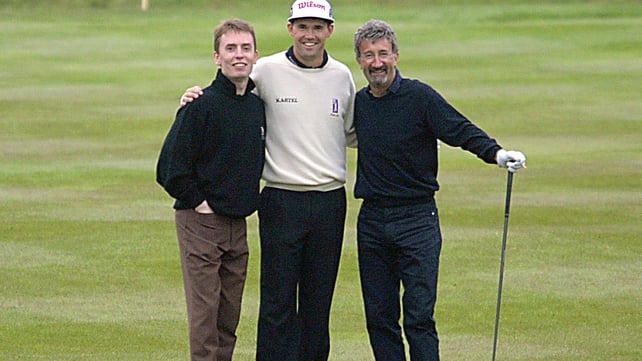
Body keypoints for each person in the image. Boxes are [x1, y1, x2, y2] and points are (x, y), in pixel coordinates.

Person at [180, 1, 356, 360]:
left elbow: (352, 132)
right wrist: (191, 99)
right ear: (290, 28)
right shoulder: (267, 70)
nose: (310, 35)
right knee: (277, 303)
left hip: (329, 201)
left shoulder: (342, 76)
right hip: (280, 199)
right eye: (303, 26)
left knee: (318, 302)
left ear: (330, 31)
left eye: (318, 27)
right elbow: (229, 93)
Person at [351, 20, 526, 361]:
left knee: (418, 315)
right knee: (379, 317)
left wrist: (496, 153)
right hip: (372, 220)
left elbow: (458, 129)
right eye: (369, 55)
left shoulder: (419, 97)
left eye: (383, 54)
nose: (377, 63)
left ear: (396, 56)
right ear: (359, 60)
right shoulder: (360, 104)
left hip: (417, 219)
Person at [156, 18, 265, 361]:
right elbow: (169, 170)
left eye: (245, 48)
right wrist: (200, 203)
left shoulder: (256, 105)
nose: (238, 55)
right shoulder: (200, 105)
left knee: (228, 318)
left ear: (255, 55)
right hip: (201, 222)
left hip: (238, 224)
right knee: (205, 319)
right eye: (230, 48)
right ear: (217, 57)